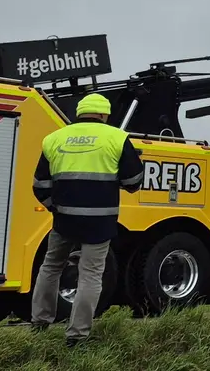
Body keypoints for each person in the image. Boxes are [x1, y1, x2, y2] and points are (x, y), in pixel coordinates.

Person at [29, 92, 143, 347]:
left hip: (64, 220)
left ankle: (39, 322)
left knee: (50, 267)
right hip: (99, 223)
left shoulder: (54, 139)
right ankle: (76, 335)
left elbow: (39, 185)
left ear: (79, 113)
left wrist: (55, 209)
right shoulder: (117, 138)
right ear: (104, 115)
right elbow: (133, 182)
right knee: (90, 275)